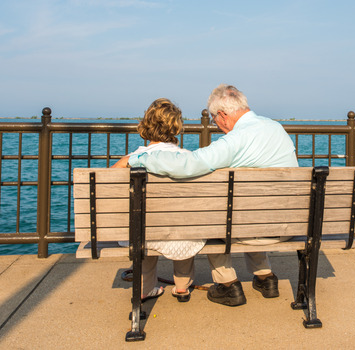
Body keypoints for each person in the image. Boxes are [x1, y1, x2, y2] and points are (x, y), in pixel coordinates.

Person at [128, 84, 299, 307]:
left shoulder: (235, 141)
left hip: (251, 229)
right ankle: (266, 278)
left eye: (213, 119)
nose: (215, 125)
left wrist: (138, 160)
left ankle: (228, 285)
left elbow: (189, 164)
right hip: (290, 226)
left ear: (222, 115)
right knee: (251, 210)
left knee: (216, 220)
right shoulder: (276, 129)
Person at [111, 98, 204, 303]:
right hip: (181, 234)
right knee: (185, 224)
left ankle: (145, 289)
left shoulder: (134, 158)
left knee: (142, 221)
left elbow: (108, 186)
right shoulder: (188, 158)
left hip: (142, 233)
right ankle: (182, 287)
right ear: (176, 128)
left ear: (146, 125)